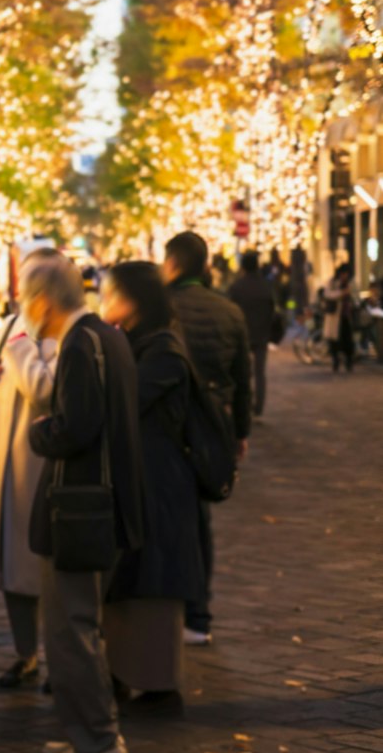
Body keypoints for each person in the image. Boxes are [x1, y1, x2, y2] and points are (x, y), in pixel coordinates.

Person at [23, 250, 145, 753]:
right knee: (82, 626)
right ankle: (92, 734)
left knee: (70, 628)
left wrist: (38, 429)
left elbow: (77, 427)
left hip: (80, 509)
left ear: (43, 299)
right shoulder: (108, 336)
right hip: (106, 503)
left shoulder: (79, 344)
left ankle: (94, 743)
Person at [99, 262, 203, 715]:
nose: (102, 299)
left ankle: (159, 686)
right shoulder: (139, 341)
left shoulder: (161, 348)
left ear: (134, 299)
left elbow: (126, 402)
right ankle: (122, 674)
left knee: (152, 580)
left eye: (110, 292)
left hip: (157, 481)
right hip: (141, 475)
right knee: (127, 578)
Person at [164, 232, 250, 647]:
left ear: (172, 264)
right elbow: (243, 378)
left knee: (165, 516)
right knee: (200, 521)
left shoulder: (160, 309)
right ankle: (198, 616)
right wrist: (240, 433)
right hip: (214, 424)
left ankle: (166, 611)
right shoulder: (229, 311)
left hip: (169, 422)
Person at [0, 306, 57, 690]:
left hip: (38, 464)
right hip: (2, 461)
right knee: (12, 569)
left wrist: (21, 351)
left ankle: (59, 661)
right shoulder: (10, 324)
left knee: (46, 569)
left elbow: (46, 390)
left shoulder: (65, 331)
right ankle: (26, 654)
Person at [228, 251, 277, 418]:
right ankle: (259, 407)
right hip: (262, 334)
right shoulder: (266, 286)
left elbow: (230, 311)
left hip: (242, 334)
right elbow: (272, 310)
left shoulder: (237, 287)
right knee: (260, 373)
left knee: (243, 372)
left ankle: (246, 404)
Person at [322, 263, 358, 373]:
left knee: (348, 341)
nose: (344, 276)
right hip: (335, 317)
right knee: (334, 341)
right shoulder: (332, 282)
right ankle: (336, 362)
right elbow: (327, 294)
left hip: (347, 316)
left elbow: (356, 298)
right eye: (343, 273)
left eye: (346, 273)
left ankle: (349, 362)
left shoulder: (351, 283)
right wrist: (341, 293)